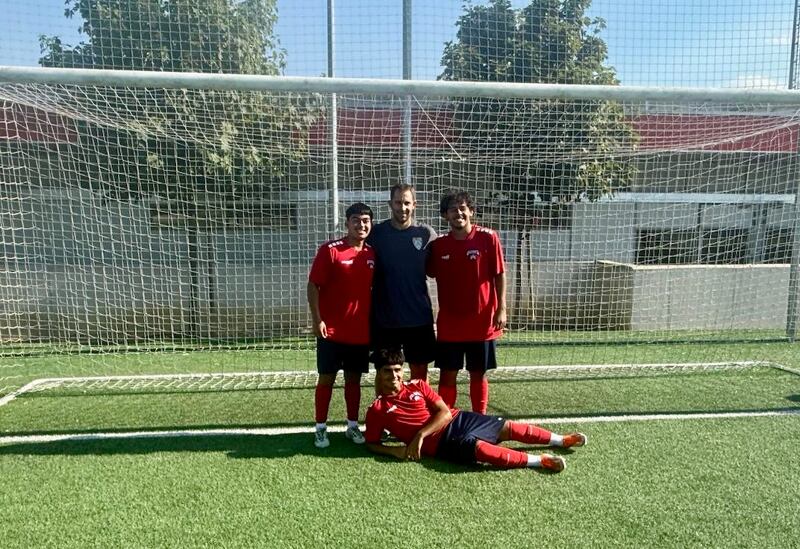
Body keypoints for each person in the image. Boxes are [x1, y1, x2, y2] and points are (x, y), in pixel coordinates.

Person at [364, 349, 586, 472]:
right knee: (483, 450)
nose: (394, 376)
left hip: (459, 419)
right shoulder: (377, 409)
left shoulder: (418, 385)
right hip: (442, 444)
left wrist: (420, 434)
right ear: (378, 374)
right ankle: (540, 460)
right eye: (387, 371)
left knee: (507, 427)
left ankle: (561, 439)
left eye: (397, 370)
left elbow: (445, 412)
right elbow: (372, 443)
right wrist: (397, 451)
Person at [427, 189, 507, 414]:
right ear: (445, 215)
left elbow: (499, 274)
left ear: (471, 211)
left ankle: (479, 418)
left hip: (481, 321)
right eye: (453, 209)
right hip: (450, 323)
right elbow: (427, 272)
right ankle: (445, 420)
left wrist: (501, 308)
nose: (458, 213)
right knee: (447, 373)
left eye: (462, 208)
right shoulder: (438, 245)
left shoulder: (488, 237)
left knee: (477, 372)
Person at [307, 202, 376, 449]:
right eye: (356, 220)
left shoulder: (371, 254)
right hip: (332, 331)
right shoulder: (331, 250)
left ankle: (352, 425)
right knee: (326, 379)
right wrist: (318, 320)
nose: (361, 224)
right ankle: (320, 428)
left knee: (353, 381)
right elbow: (313, 285)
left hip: (359, 333)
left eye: (366, 220)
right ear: (347, 223)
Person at [367, 183, 437, 382]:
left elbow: (436, 269)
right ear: (390, 203)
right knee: (386, 372)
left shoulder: (426, 234)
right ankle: (386, 412)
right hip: (385, 318)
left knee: (419, 373)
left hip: (418, 317)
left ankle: (417, 412)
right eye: (398, 202)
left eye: (407, 203)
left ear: (415, 204)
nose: (402, 207)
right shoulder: (376, 234)